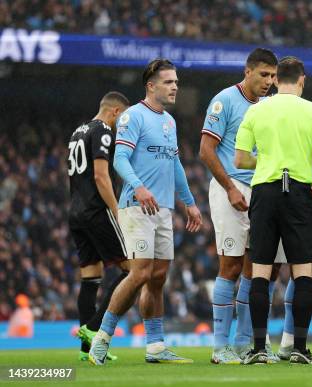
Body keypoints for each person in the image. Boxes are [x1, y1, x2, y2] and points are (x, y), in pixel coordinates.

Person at [88, 58, 203, 365]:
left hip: (163, 208)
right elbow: (120, 159)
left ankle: (155, 346)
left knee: (158, 277)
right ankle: (102, 337)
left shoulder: (169, 121)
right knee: (139, 273)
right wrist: (138, 186)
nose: (175, 86)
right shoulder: (133, 117)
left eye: (176, 81)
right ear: (151, 86)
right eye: (169, 82)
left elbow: (175, 164)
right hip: (136, 206)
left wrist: (189, 202)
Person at [234, 56, 312, 364]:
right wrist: (310, 160)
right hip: (298, 191)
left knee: (261, 273)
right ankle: (300, 349)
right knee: (303, 272)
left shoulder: (257, 109)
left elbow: (239, 160)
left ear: (277, 79)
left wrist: (266, 160)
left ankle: (258, 349)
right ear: (302, 80)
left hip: (264, 192)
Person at [199, 48, 283, 364]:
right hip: (229, 188)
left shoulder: (268, 107)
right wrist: (231, 188)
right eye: (264, 75)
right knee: (231, 265)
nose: (269, 82)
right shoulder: (225, 101)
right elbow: (206, 150)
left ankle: (246, 342)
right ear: (247, 72)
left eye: (273, 76)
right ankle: (220, 347)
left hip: (261, 189)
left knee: (259, 267)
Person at [67, 91, 130, 361]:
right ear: (115, 111)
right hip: (97, 211)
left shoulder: (76, 132)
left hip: (76, 212)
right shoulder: (103, 129)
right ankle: (94, 328)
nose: (122, 124)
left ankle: (85, 351)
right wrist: (117, 212)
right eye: (123, 117)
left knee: (91, 278)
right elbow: (101, 176)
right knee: (133, 271)